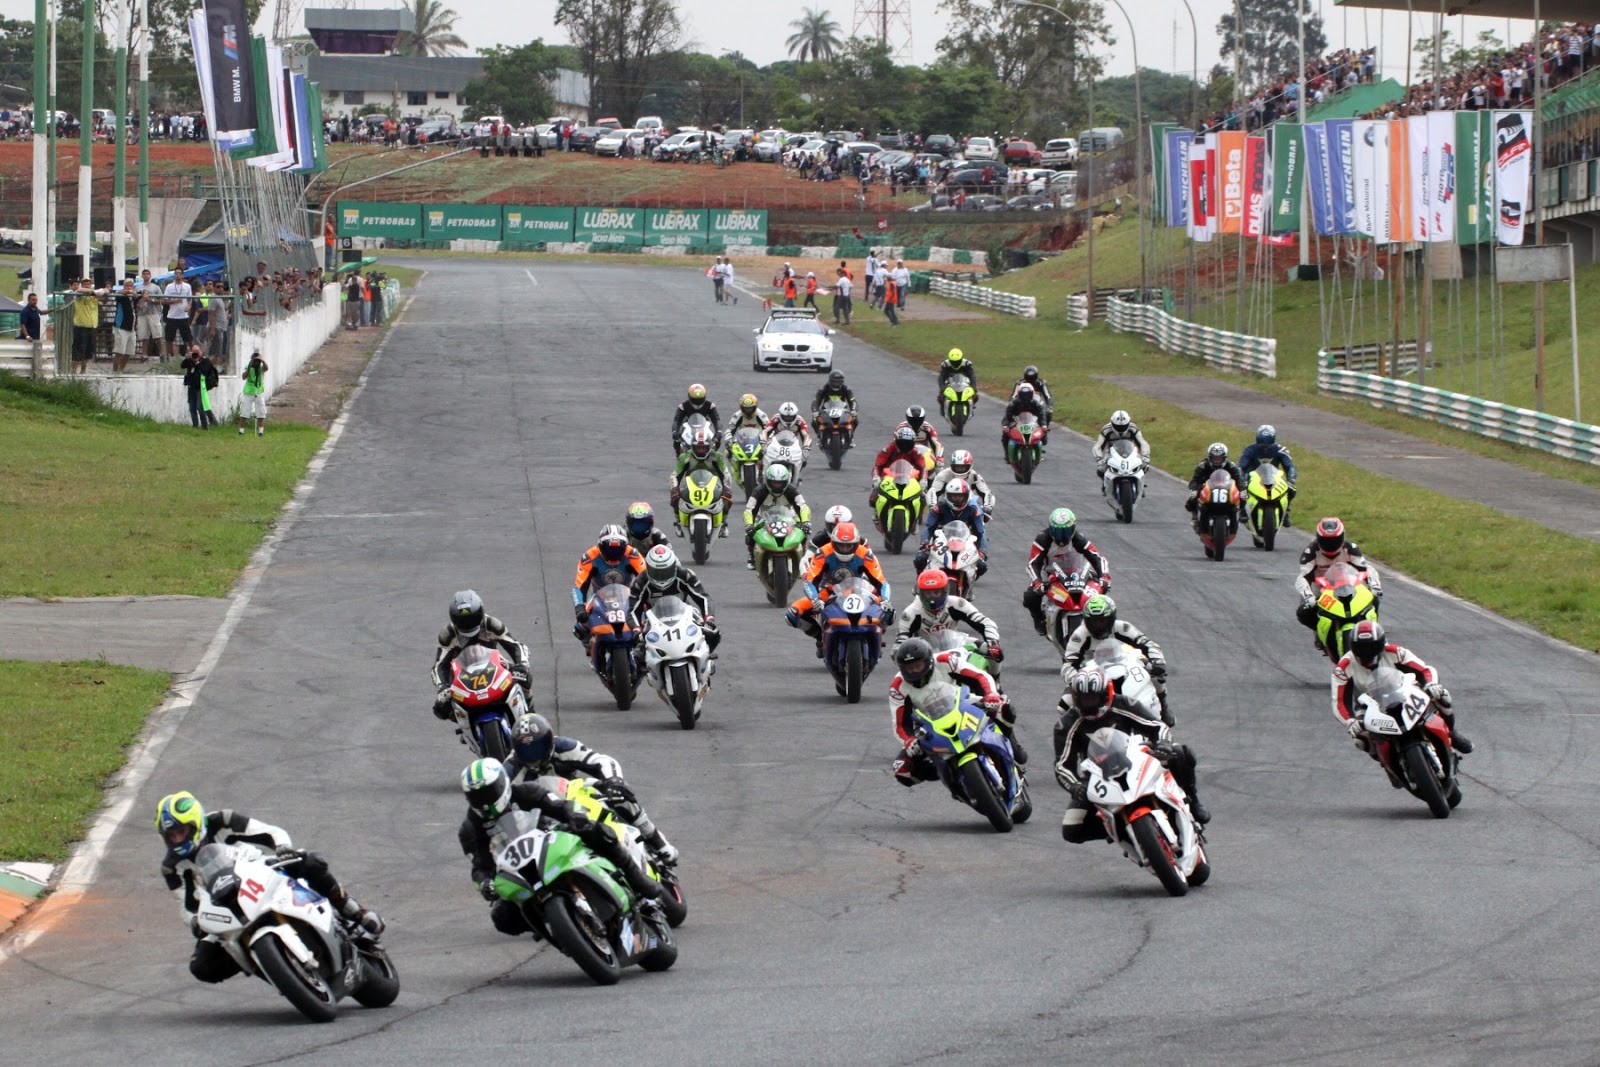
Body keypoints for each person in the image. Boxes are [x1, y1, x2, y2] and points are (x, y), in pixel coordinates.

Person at [157, 791, 383, 984]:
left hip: (260, 873)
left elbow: (270, 832)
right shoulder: (172, 867)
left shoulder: (222, 820)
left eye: (181, 831)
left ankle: (352, 909)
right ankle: (275, 970)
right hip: (225, 906)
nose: (177, 839)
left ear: (196, 824)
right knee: (202, 966)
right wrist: (195, 921)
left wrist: (283, 848)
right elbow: (186, 905)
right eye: (171, 835)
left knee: (311, 861)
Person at [458, 758, 661, 941]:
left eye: (488, 792)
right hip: (519, 871)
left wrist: (575, 815)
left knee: (594, 830)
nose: (484, 800)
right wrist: (484, 883)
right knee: (502, 918)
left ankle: (636, 877)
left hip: (553, 840)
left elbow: (561, 806)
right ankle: (551, 923)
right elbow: (479, 867)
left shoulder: (526, 792)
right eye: (476, 796)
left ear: (503, 784)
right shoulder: (470, 829)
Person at [1053, 668, 1210, 839]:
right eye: (1084, 699)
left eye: (1093, 698)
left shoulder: (1124, 703)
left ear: (1105, 695)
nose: (1089, 704)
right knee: (1072, 829)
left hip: (1135, 757)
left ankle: (1193, 801)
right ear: (1076, 698)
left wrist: (1163, 743)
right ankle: (1123, 831)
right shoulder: (1066, 724)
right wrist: (1075, 786)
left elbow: (1157, 726)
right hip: (1098, 775)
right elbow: (1062, 765)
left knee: (1180, 753)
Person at [503, 714, 678, 863]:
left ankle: (657, 841)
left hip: (576, 794)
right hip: (541, 814)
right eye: (526, 751)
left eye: (537, 748)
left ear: (549, 741)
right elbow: (499, 798)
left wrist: (613, 781)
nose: (533, 756)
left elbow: (601, 761)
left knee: (620, 794)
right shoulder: (510, 769)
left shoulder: (563, 747)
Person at [889, 638, 1024, 789]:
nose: (915, 671)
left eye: (918, 665)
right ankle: (950, 774)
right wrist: (908, 740)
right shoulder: (898, 686)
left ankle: (1013, 744)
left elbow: (980, 676)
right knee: (902, 770)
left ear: (928, 661)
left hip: (964, 704)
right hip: (930, 724)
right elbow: (899, 724)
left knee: (1004, 708)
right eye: (909, 668)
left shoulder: (945, 661)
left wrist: (991, 694)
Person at [1333, 619, 1472, 755]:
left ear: (1381, 644)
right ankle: (1388, 763)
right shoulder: (1343, 667)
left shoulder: (1395, 652)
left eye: (1372, 647)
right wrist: (1350, 721)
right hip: (1368, 706)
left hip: (1404, 691)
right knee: (1360, 740)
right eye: (1361, 648)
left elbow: (1425, 670)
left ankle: (1452, 734)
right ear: (1352, 647)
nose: (1367, 653)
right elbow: (1339, 701)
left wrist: (1431, 684)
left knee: (1442, 695)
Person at [1059, 595, 1171, 725]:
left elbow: (1148, 644)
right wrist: (1076, 679)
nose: (1098, 626)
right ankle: (1075, 727)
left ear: (1112, 618)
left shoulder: (1123, 628)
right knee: (1063, 705)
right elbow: (1068, 664)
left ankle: (1163, 706)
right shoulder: (1079, 635)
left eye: (1102, 621)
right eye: (1093, 621)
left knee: (1155, 673)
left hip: (1124, 662)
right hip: (1092, 674)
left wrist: (1158, 661)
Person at [786, 521, 891, 653]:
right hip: (829, 591)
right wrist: (815, 598)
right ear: (833, 542)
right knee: (792, 614)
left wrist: (885, 600)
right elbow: (810, 581)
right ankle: (819, 637)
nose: (845, 549)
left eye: (849, 546)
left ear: (856, 543)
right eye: (841, 545)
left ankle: (876, 636)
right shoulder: (822, 553)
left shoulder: (866, 554)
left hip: (860, 590)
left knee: (890, 612)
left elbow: (882, 582)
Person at [430, 589, 532, 719]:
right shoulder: (447, 635)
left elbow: (514, 645)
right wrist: (442, 687)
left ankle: (530, 714)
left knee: (524, 680)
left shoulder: (491, 624)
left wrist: (521, 665)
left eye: (472, 618)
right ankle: (465, 726)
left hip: (493, 666)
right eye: (463, 621)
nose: (468, 624)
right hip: (463, 674)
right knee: (442, 708)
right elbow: (439, 665)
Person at [1022, 508, 1109, 636]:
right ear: (1051, 529)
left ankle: (1101, 621)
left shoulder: (1079, 538)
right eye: (1057, 531)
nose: (1062, 536)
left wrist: (1104, 576)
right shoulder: (1042, 539)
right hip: (1051, 575)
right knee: (1030, 596)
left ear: (1073, 529)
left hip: (1077, 573)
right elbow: (1033, 563)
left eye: (1066, 531)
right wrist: (1037, 582)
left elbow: (1097, 557)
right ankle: (1039, 619)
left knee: (1101, 587)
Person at [1294, 517, 1383, 635]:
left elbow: (1367, 569)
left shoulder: (1351, 548)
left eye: (1334, 540)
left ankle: (1372, 628)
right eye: (1326, 541)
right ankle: (1321, 632)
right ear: (1318, 538)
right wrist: (1308, 596)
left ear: (1342, 537)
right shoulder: (1310, 552)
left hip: (1349, 586)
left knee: (1374, 598)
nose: (1330, 544)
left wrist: (1374, 585)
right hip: (1321, 590)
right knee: (1303, 613)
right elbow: (1302, 577)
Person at [631, 543, 721, 651]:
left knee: (713, 633)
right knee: (637, 646)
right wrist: (636, 628)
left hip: (684, 614)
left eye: (666, 571)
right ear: (648, 568)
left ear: (673, 567)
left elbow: (703, 597)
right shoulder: (640, 582)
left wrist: (709, 618)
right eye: (657, 572)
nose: (662, 576)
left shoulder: (685, 575)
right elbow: (632, 609)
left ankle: (706, 656)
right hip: (652, 620)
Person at [895, 570, 1002, 659]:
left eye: (936, 592)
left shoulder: (957, 604)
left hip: (955, 647)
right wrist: (901, 655)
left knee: (992, 652)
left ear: (945, 591)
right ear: (921, 593)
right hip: (924, 655)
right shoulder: (910, 613)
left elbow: (985, 622)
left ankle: (994, 678)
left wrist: (993, 643)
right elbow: (899, 644)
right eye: (928, 593)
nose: (932, 598)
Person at [573, 525, 647, 636]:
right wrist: (579, 608)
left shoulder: (633, 555)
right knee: (580, 627)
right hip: (598, 597)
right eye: (610, 549)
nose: (614, 553)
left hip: (627, 596)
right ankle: (590, 643)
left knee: (646, 620)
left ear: (625, 546)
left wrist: (647, 603)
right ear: (600, 546)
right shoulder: (589, 557)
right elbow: (579, 586)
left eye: (618, 549)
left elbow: (646, 580)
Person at [914, 477, 988, 576]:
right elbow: (929, 528)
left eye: (960, 496)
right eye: (954, 496)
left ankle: (969, 580)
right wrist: (925, 543)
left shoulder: (973, 510)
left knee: (982, 566)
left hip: (965, 542)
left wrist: (982, 551)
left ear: (966, 496)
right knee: (920, 559)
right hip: (940, 541)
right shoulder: (938, 508)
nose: (957, 499)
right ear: (948, 496)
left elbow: (980, 533)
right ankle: (921, 578)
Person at [743, 462, 811, 568]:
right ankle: (751, 555)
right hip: (764, 517)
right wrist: (749, 525)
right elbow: (749, 509)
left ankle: (803, 556)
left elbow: (803, 506)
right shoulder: (759, 491)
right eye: (774, 482)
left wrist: (805, 522)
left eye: (780, 483)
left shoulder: (792, 490)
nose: (777, 485)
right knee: (750, 532)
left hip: (789, 517)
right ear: (768, 481)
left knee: (803, 530)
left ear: (786, 481)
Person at [670, 428, 737, 530]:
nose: (701, 451)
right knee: (675, 497)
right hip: (690, 486)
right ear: (693, 447)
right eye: (698, 448)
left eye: (703, 448)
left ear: (709, 447)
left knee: (727, 498)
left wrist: (727, 488)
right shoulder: (684, 457)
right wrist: (674, 488)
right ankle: (678, 521)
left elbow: (726, 474)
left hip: (713, 486)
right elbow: (674, 475)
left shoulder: (717, 457)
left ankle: (723, 523)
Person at [1238, 424, 1298, 525]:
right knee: (1242, 489)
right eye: (1262, 444)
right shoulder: (1249, 450)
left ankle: (1285, 511)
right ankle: (1243, 509)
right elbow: (1241, 467)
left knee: (1292, 489)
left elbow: (1290, 466)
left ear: (1273, 441)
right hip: (1253, 478)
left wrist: (1291, 479)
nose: (1265, 448)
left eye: (1268, 445)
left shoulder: (1281, 450)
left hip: (1274, 477)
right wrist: (1242, 480)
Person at [1184, 442, 1245, 525]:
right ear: (1209, 458)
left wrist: (1242, 490)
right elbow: (1195, 479)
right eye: (1214, 459)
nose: (1217, 461)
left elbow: (1239, 479)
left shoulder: (1231, 466)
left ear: (1224, 458)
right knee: (1192, 498)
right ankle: (1194, 516)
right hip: (1207, 488)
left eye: (1219, 459)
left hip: (1226, 488)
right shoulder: (1203, 466)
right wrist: (1194, 489)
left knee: (1243, 496)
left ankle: (1242, 512)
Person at [929, 449, 995, 513]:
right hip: (946, 504)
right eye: (957, 467)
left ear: (969, 466)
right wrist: (932, 505)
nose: (960, 469)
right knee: (934, 514)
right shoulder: (943, 475)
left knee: (980, 511)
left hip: (968, 504)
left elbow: (987, 492)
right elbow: (933, 490)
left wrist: (988, 506)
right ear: (952, 465)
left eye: (963, 467)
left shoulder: (975, 476)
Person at [1092, 409, 1151, 476]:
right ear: (1112, 423)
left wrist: (1145, 458)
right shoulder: (1106, 430)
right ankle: (1106, 482)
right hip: (1111, 455)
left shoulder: (1133, 428)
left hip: (1131, 453)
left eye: (1123, 427)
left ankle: (1140, 481)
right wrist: (1100, 460)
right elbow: (1097, 446)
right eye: (1118, 427)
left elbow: (1142, 443)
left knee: (1144, 467)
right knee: (1101, 470)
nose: (1121, 429)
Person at [69, 277, 106, 374]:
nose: (86, 285)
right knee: (78, 349)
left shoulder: (94, 296)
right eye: (85, 283)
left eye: (88, 283)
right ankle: (73, 371)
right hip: (81, 325)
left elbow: (107, 290)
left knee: (88, 350)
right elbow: (78, 290)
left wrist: (100, 291)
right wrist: (93, 291)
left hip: (92, 326)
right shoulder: (80, 295)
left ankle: (83, 370)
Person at [810, 370, 858, 444]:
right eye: (834, 381)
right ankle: (819, 436)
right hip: (826, 410)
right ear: (830, 380)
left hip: (842, 410)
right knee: (814, 420)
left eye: (838, 381)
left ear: (842, 381)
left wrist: (853, 410)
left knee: (855, 419)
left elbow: (852, 400)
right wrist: (815, 411)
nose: (836, 383)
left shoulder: (846, 389)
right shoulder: (824, 389)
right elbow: (816, 401)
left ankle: (851, 437)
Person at [1000, 383, 1050, 453]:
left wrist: (1043, 426)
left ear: (1032, 394)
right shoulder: (1013, 403)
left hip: (1033, 423)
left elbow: (1042, 415)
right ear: (1019, 394)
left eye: (1028, 395)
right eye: (1023, 395)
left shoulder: (1037, 404)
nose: (1025, 397)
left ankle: (1039, 447)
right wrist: (1006, 426)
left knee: (1044, 435)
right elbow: (1007, 416)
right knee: (1005, 435)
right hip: (1017, 423)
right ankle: (1007, 453)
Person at [670, 383, 721, 448]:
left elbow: (716, 420)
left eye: (700, 399)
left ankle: (714, 452)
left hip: (705, 428)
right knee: (677, 441)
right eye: (695, 399)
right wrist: (675, 432)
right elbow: (677, 420)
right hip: (688, 429)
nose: (697, 402)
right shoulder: (683, 406)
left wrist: (719, 432)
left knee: (717, 440)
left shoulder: (710, 406)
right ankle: (679, 453)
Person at [162, 269, 194, 357]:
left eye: (180, 273)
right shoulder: (169, 287)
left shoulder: (187, 286)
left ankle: (195, 355)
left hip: (183, 316)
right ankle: (166, 357)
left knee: (189, 338)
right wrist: (175, 301)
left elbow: (190, 298)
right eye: (176, 273)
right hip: (172, 316)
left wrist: (189, 306)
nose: (178, 275)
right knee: (169, 338)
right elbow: (164, 301)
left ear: (182, 275)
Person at [237, 350, 269, 436]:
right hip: (248, 391)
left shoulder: (261, 365)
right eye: (255, 360)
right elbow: (243, 377)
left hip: (258, 391)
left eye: (258, 360)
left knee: (261, 412)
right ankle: (241, 431)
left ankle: (261, 431)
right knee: (244, 411)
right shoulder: (249, 365)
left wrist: (262, 360)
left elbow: (266, 369)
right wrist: (249, 367)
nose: (256, 362)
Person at [135, 269, 163, 359]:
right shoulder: (138, 288)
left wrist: (150, 300)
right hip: (142, 314)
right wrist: (139, 305)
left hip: (153, 313)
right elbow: (135, 300)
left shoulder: (156, 287)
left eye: (148, 274)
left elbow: (161, 300)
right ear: (142, 276)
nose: (146, 275)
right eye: (144, 274)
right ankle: (144, 355)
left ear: (150, 275)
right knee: (144, 336)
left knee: (157, 335)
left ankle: (162, 354)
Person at [111, 278, 138, 373]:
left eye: (131, 286)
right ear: (124, 286)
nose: (129, 287)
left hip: (132, 328)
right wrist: (129, 291)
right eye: (127, 286)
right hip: (121, 327)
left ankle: (120, 371)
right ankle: (114, 372)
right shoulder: (121, 295)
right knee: (119, 352)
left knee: (128, 352)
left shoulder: (134, 297)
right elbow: (117, 293)